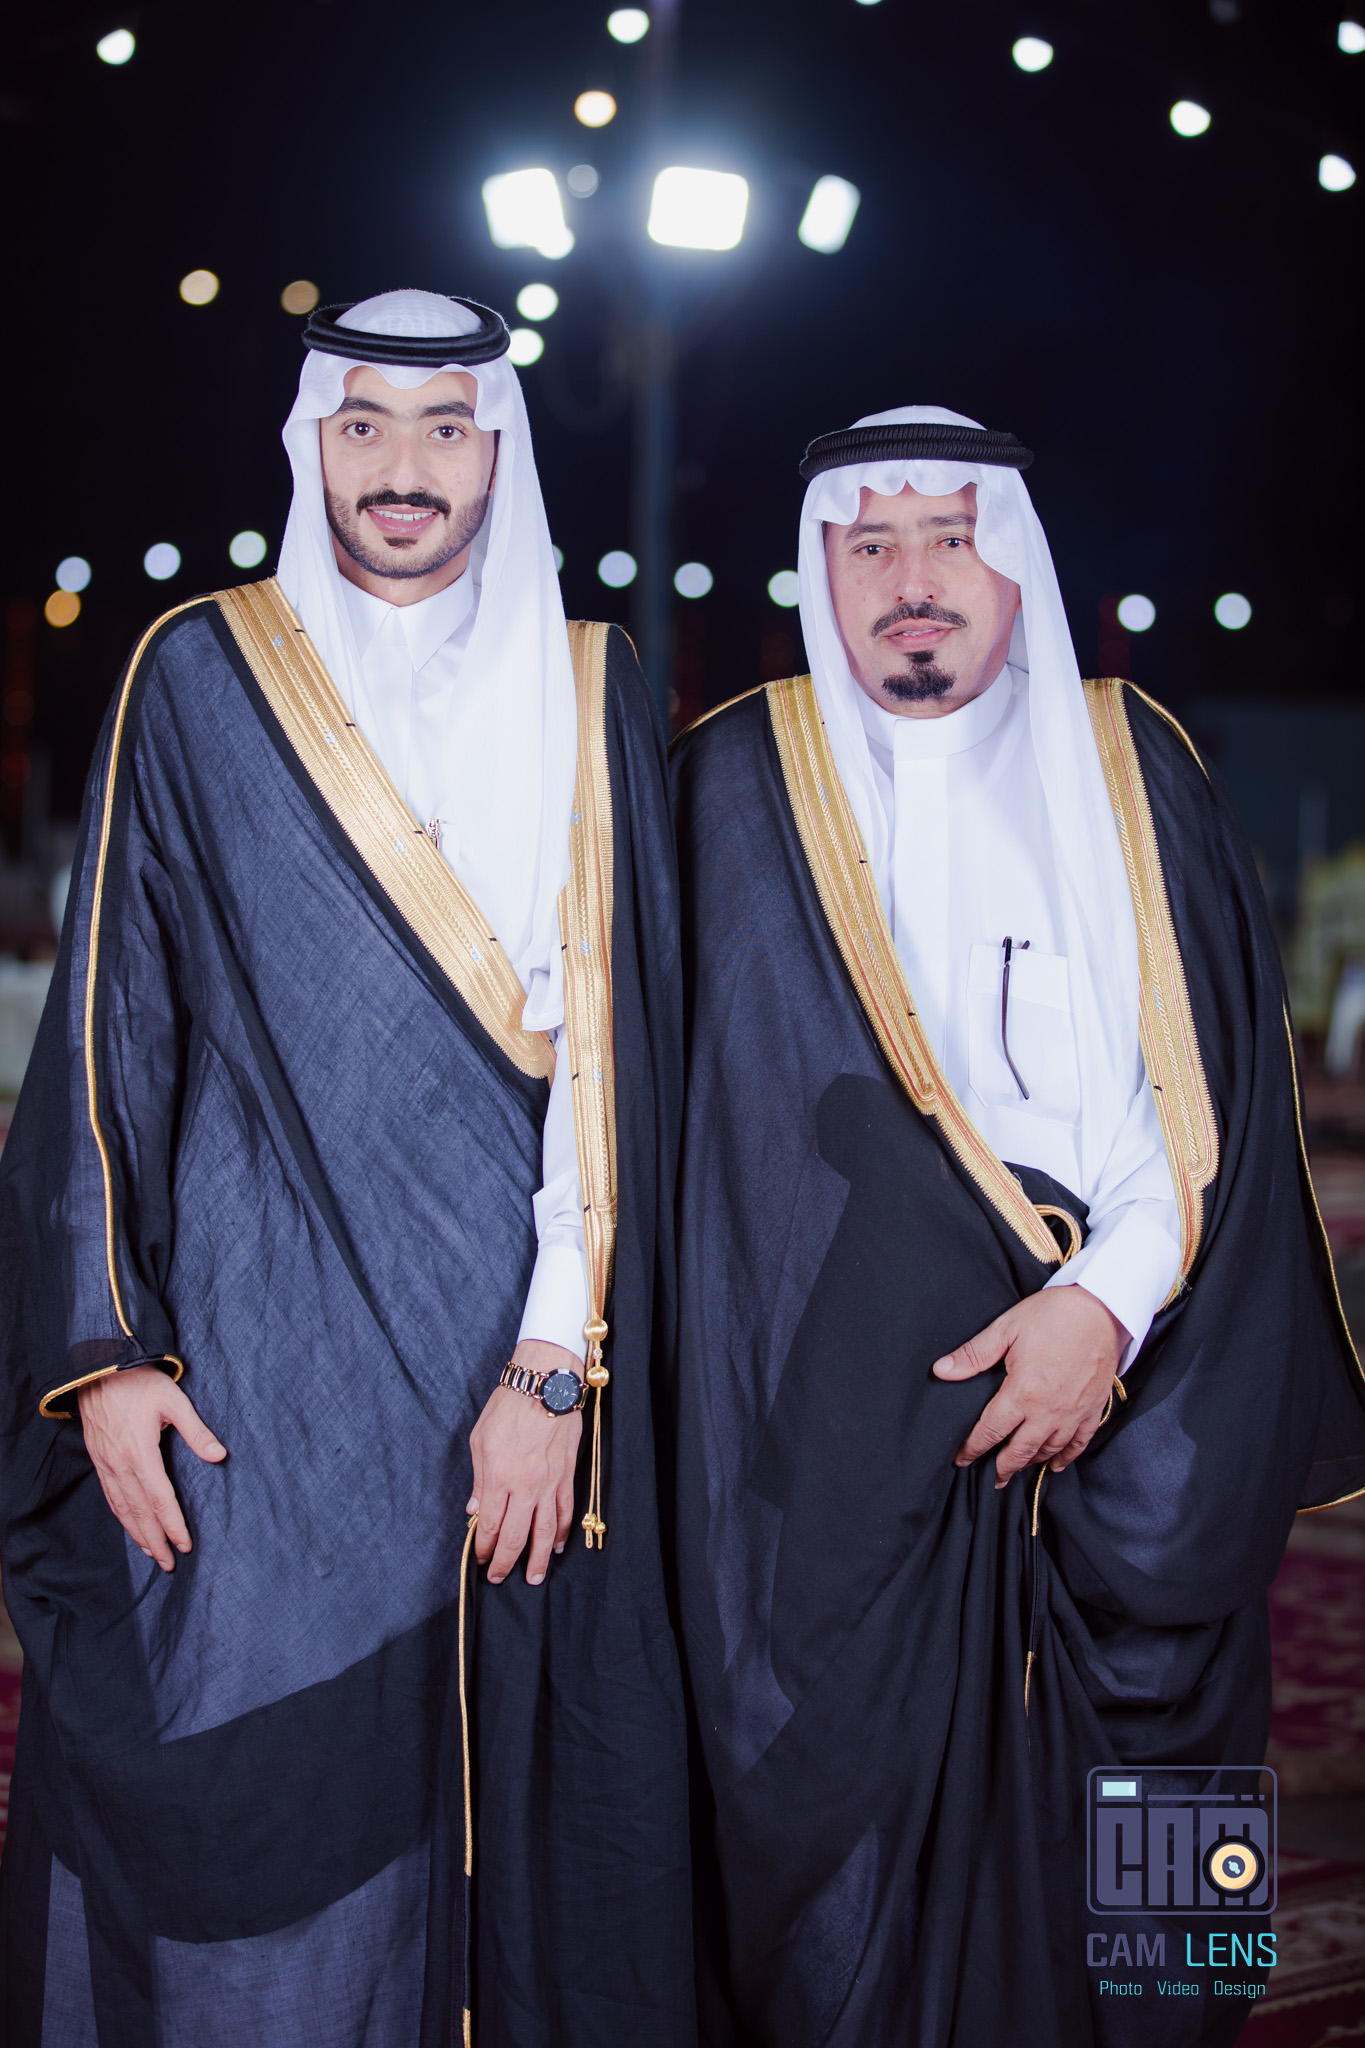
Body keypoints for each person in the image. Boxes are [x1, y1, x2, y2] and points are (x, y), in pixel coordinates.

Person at [0, 291, 693, 2047]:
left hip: (520, 1366)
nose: (403, 466)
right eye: (364, 423)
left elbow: (616, 1066)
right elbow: (111, 1022)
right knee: (237, 1773)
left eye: (446, 427)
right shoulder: (200, 670)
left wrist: (553, 1365)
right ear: (311, 444)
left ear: (499, 456)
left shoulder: (593, 684)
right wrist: (108, 1354)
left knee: (504, 1797)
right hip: (252, 1371)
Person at [669, 406, 1365, 2047]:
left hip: (1135, 1411)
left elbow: (1199, 1101)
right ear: (822, 571)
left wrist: (1101, 1310)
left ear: (1018, 568)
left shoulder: (1134, 766)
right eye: (872, 544)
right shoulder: (729, 784)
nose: (912, 579)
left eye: (951, 537)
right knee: (828, 1887)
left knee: (1168, 1908)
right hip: (826, 1451)